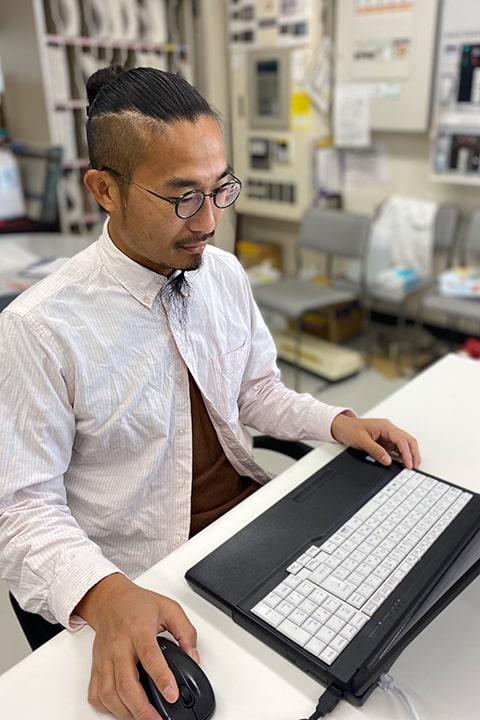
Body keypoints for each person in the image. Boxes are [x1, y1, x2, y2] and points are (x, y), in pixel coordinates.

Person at [0, 66, 419, 720]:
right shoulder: (39, 329)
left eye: (220, 188)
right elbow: (22, 509)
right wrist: (104, 595)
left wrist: (337, 422)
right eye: (183, 197)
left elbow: (255, 391)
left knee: (393, 621)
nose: (210, 220)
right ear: (104, 190)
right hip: (150, 574)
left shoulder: (221, 274)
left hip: (249, 532)